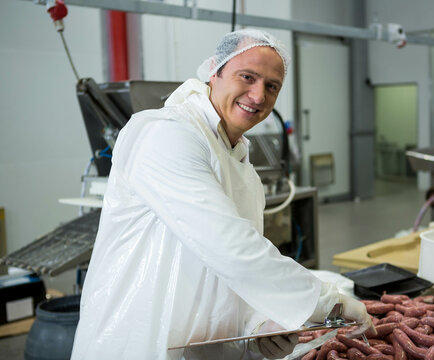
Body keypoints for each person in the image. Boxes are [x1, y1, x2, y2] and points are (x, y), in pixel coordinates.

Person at [71, 29, 374, 360]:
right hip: (137, 345)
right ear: (214, 71)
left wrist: (259, 327)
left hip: (204, 349)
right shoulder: (166, 134)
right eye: (247, 76)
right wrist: (328, 301)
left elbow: (230, 275)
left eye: (271, 86)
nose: (258, 95)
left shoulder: (242, 167)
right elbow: (231, 247)